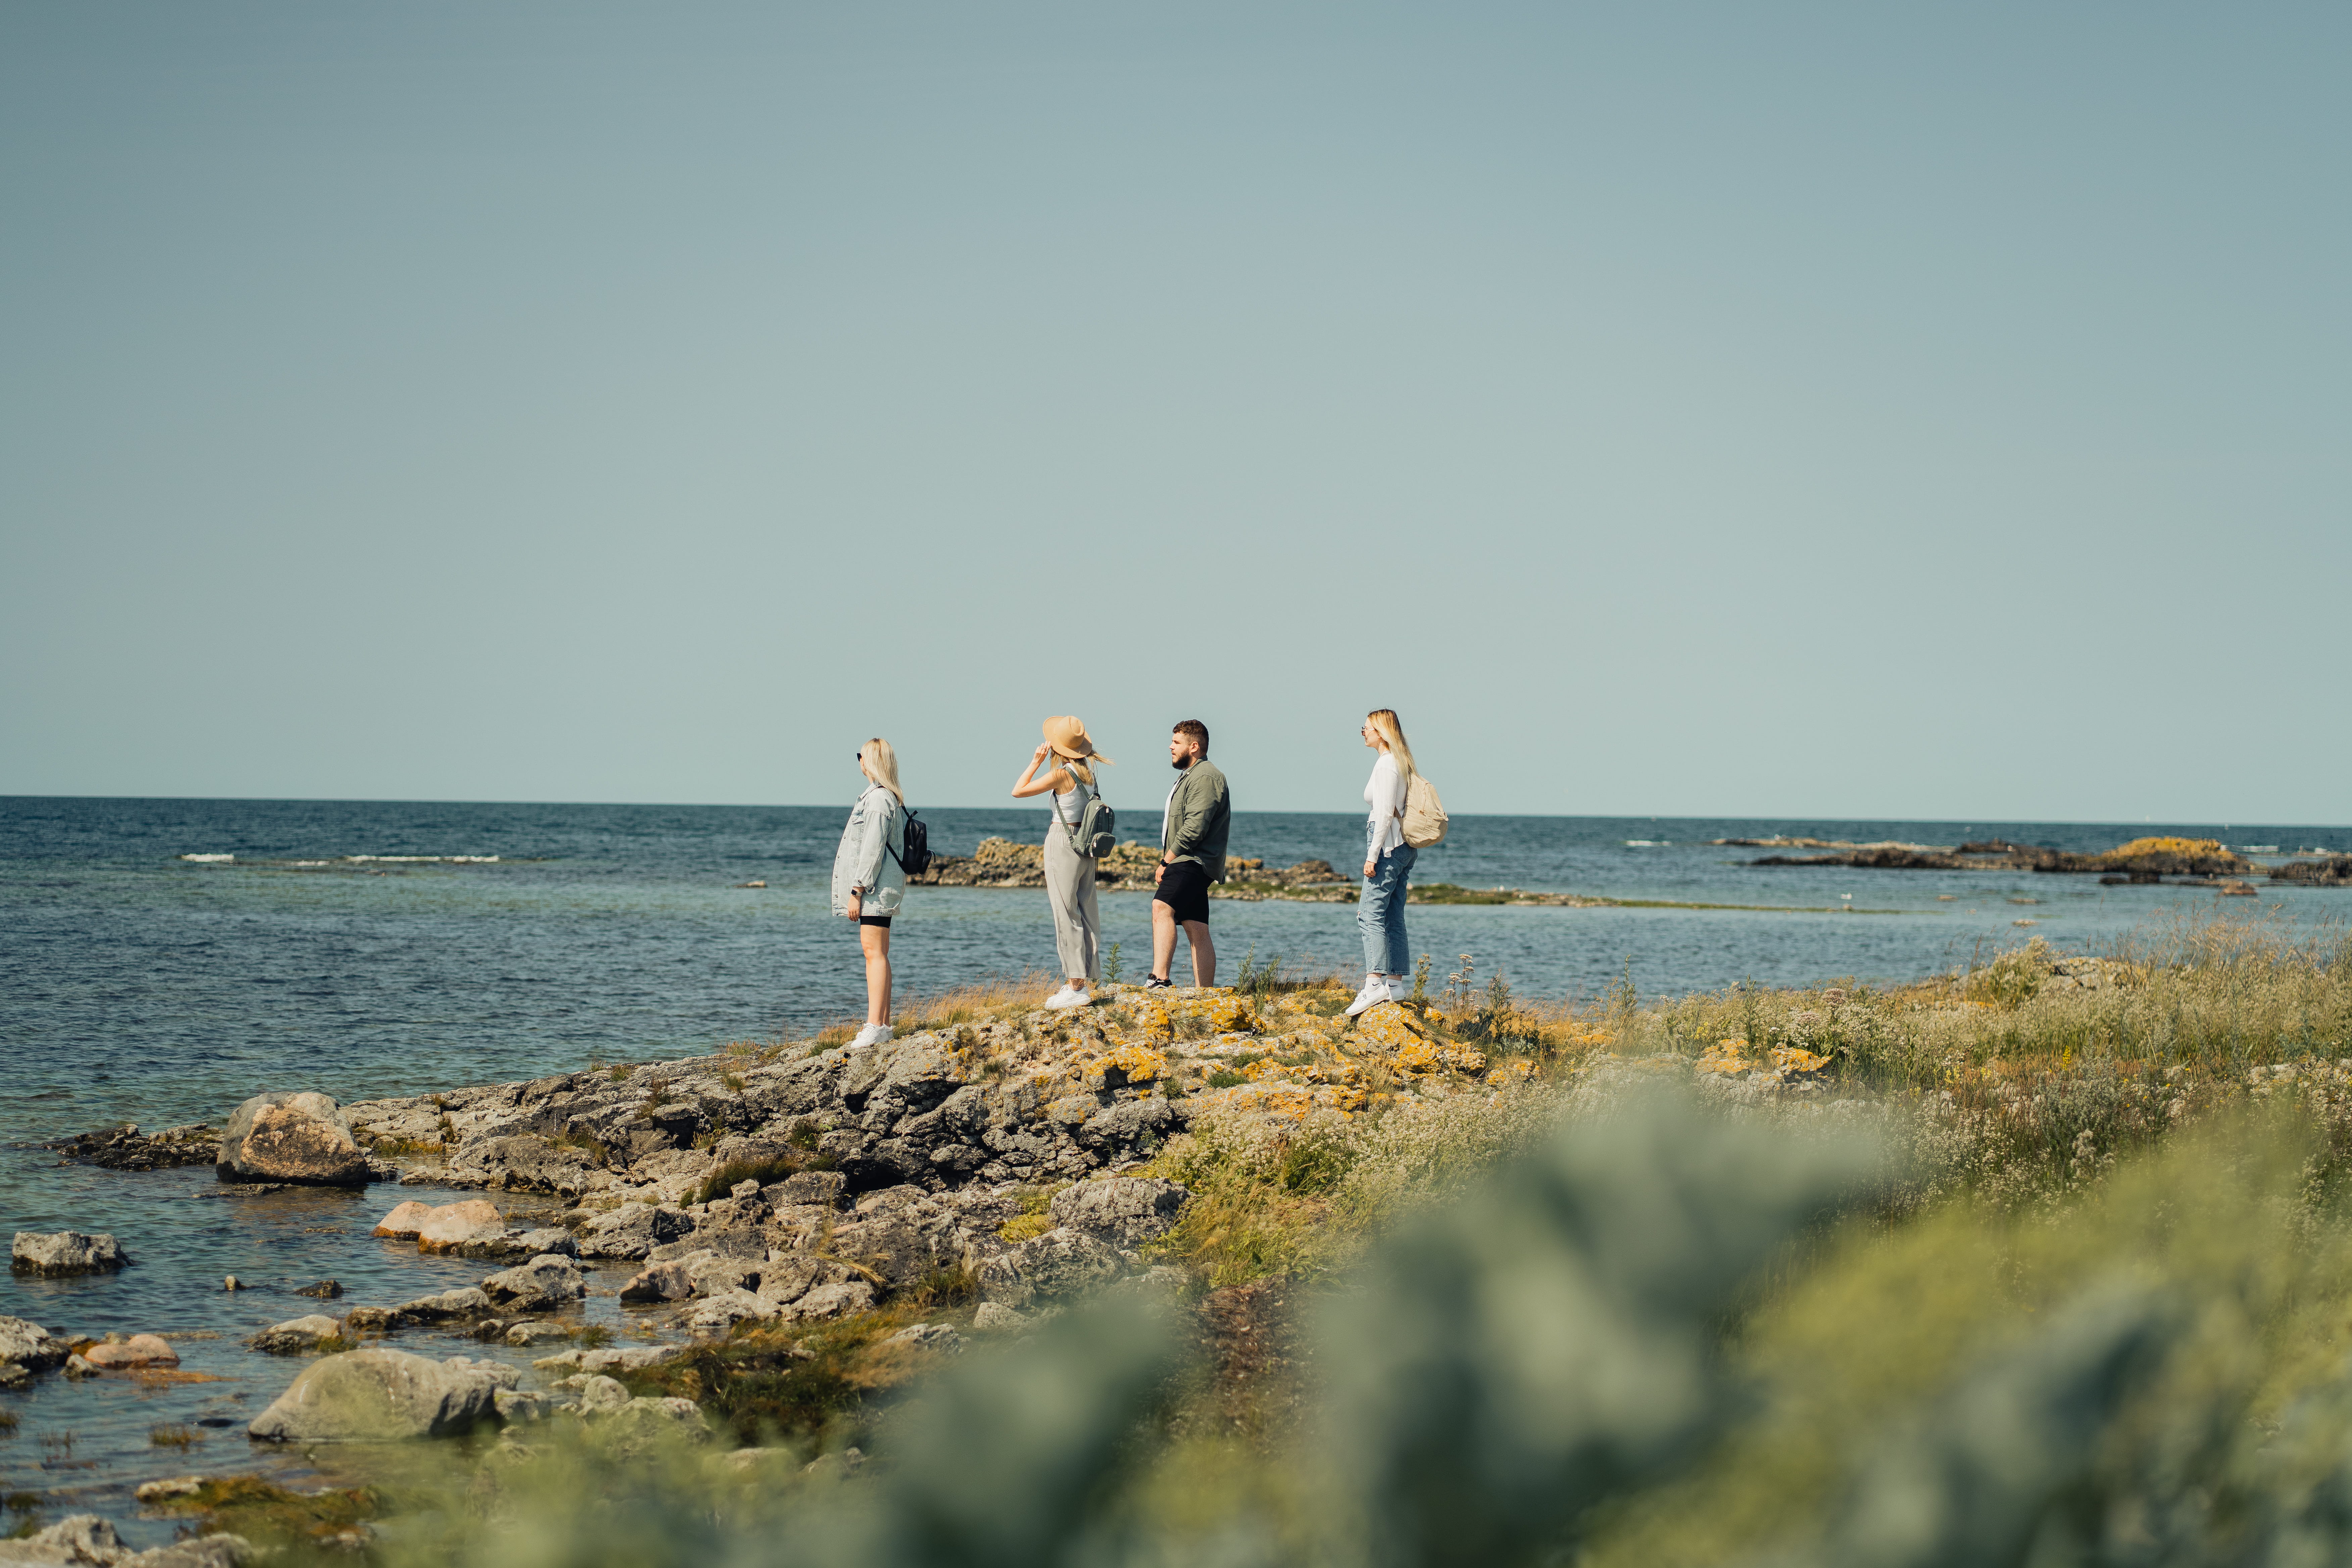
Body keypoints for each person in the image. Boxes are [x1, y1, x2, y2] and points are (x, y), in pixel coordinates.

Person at [1011, 716, 1113, 1010]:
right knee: (1086, 910)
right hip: (1086, 843)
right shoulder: (1088, 774)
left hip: (1064, 839)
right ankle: (1082, 980)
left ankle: (1076, 986)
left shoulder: (1061, 775)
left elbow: (1018, 791)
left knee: (1065, 912)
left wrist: (1035, 762)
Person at [831, 738, 907, 1048]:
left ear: (870, 761)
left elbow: (872, 850)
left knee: (873, 953)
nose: (859, 760)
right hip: (882, 887)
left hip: (874, 889)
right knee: (880, 953)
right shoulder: (889, 796)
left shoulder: (877, 800)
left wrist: (856, 890)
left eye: (861, 755)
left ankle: (875, 1025)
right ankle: (884, 1025)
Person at [1147, 719, 1229, 990]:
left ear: (1194, 747)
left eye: (1176, 742)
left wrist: (1165, 861)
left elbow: (1195, 827)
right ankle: (1205, 993)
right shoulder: (1193, 775)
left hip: (1191, 860)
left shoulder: (1205, 777)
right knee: (1196, 926)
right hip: (1194, 861)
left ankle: (1160, 979)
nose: (1170, 747)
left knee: (1161, 908)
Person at [1347, 708, 1418, 1017]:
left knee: (1369, 914)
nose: (1363, 732)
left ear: (1381, 731)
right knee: (1392, 915)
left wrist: (1372, 856)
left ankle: (1374, 984)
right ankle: (1395, 984)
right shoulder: (1398, 763)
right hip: (1402, 847)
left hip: (1389, 847)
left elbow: (1385, 813)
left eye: (1366, 728)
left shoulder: (1387, 764)